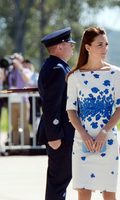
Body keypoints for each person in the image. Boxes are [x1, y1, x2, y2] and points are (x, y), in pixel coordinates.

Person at [66, 27, 120, 200]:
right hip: (81, 141)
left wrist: (104, 132)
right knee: (83, 193)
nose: (105, 48)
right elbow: (71, 110)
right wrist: (84, 135)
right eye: (100, 44)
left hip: (107, 141)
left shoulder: (115, 73)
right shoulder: (75, 76)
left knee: (109, 193)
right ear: (87, 47)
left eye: (106, 44)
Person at [37, 28, 75, 200]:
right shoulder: (57, 69)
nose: (73, 47)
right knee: (58, 182)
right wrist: (54, 136)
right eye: (69, 44)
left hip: (60, 133)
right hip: (59, 135)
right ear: (60, 47)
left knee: (59, 181)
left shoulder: (56, 66)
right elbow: (51, 105)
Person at [7, 53, 32, 145]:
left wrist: (20, 68)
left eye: (16, 59)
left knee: (25, 124)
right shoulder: (10, 71)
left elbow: (27, 80)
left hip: (23, 101)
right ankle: (15, 145)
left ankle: (25, 146)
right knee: (14, 125)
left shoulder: (25, 70)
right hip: (12, 101)